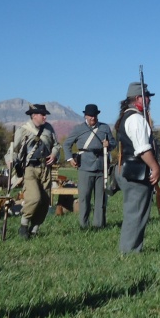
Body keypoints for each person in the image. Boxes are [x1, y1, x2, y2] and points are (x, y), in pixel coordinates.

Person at [113, 82, 160, 253]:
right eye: (146, 96)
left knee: (136, 212)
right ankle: (130, 252)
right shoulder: (135, 118)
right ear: (138, 98)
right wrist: (155, 167)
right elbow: (142, 149)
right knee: (136, 214)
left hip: (131, 169)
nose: (149, 100)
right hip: (137, 171)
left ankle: (131, 249)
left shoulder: (128, 116)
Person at [13, 103, 61, 240]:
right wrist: (11, 160)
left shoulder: (49, 128)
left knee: (45, 201)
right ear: (34, 116)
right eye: (42, 114)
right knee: (34, 198)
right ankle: (23, 225)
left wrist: (53, 154)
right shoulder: (23, 130)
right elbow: (13, 150)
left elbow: (56, 145)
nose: (45, 116)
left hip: (45, 168)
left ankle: (34, 229)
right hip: (29, 168)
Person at [63, 103, 114, 229]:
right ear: (85, 116)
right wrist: (70, 158)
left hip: (101, 167)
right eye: (90, 116)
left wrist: (109, 144)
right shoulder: (78, 129)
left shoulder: (105, 128)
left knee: (100, 199)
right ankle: (83, 225)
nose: (93, 118)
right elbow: (66, 144)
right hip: (85, 167)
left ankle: (99, 225)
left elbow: (113, 143)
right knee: (84, 198)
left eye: (95, 115)